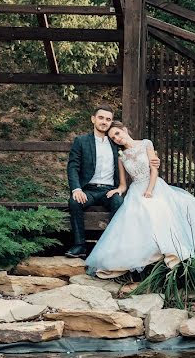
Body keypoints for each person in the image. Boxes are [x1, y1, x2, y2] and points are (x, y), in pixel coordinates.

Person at [84, 121, 195, 278]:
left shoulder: (146, 144)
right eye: (113, 138)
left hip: (154, 186)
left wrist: (150, 190)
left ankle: (173, 252)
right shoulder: (121, 157)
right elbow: (124, 184)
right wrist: (118, 190)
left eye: (117, 133)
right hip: (136, 190)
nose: (116, 138)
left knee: (161, 209)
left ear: (124, 129)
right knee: (137, 215)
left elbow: (154, 170)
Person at [64, 105, 159, 259]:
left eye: (108, 119)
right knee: (74, 202)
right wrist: (76, 189)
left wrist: (154, 160)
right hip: (88, 190)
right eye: (101, 118)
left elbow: (135, 151)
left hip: (109, 190)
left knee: (118, 202)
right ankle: (80, 245)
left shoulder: (116, 143)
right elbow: (73, 167)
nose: (104, 121)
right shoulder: (81, 141)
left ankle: (109, 245)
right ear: (93, 119)